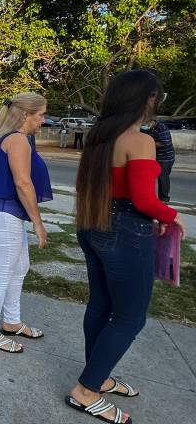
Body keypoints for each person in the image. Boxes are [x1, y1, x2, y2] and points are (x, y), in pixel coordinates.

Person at [67, 70, 185, 424]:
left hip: (93, 226)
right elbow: (145, 200)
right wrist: (171, 215)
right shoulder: (140, 141)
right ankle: (86, 391)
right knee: (130, 317)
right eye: (156, 99)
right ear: (145, 99)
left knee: (101, 307)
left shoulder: (97, 137)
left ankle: (97, 375)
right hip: (126, 231)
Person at [0, 93, 52, 354]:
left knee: (19, 267)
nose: (44, 120)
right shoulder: (17, 140)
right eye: (40, 114)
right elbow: (23, 182)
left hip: (3, 212)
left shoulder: (11, 138)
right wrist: (38, 223)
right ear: (25, 115)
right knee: (2, 273)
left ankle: (11, 321)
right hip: (2, 213)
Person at [142, 118, 175, 202]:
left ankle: (164, 199)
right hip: (152, 156)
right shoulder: (143, 129)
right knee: (147, 177)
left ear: (151, 121)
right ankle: (148, 197)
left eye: (144, 124)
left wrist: (148, 143)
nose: (143, 126)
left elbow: (164, 142)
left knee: (163, 178)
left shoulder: (161, 127)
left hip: (165, 157)